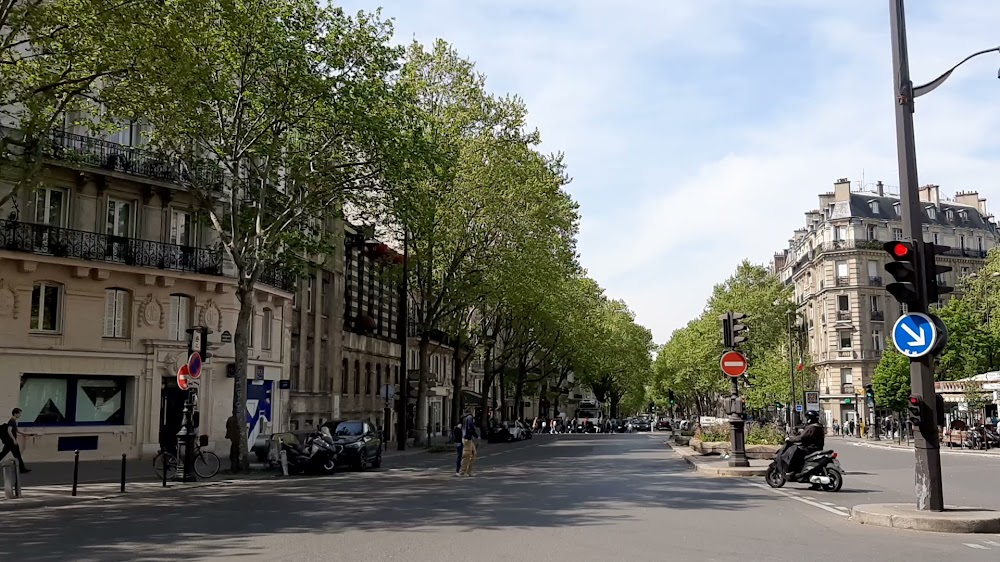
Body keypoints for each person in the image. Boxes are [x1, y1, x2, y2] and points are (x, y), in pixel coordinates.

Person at [782, 410, 825, 478]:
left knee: (796, 453)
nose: (807, 420)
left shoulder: (812, 427)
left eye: (807, 418)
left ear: (810, 418)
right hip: (817, 447)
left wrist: (790, 439)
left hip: (810, 448)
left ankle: (793, 471)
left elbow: (801, 438)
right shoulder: (818, 426)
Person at [0, 408, 30, 474]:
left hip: (10, 442)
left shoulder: (14, 421)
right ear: (15, 413)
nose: (20, 415)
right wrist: (14, 440)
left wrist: (25, 434)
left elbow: (17, 430)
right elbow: (9, 430)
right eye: (19, 413)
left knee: (14, 455)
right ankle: (22, 469)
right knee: (16, 455)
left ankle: (21, 469)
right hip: (11, 442)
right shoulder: (12, 421)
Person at [459, 409, 479, 476]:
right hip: (467, 439)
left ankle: (468, 471)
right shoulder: (469, 417)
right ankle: (462, 472)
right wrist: (476, 435)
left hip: (466, 438)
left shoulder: (464, 417)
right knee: (467, 455)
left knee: (473, 454)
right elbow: (471, 427)